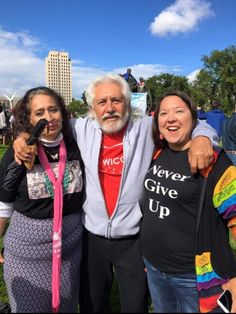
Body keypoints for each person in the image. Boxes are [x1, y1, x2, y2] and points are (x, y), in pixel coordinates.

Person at [13, 74, 218, 313]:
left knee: (134, 304)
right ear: (92, 108)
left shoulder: (144, 129)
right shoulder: (80, 128)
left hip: (132, 238)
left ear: (128, 104)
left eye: (116, 101)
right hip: (92, 236)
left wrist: (203, 137)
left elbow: (188, 122)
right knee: (93, 303)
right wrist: (23, 137)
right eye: (102, 102)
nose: (109, 108)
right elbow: (46, 125)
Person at [140, 90, 236, 313]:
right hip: (154, 268)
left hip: (193, 278)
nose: (171, 118)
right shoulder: (156, 153)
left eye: (179, 111)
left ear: (193, 118)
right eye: (164, 113)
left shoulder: (213, 161)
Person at [0, 87, 84, 313]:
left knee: (66, 305)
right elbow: (4, 202)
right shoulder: (21, 151)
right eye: (39, 113)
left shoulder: (76, 142)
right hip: (28, 252)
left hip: (69, 249)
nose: (48, 118)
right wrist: (22, 137)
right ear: (29, 118)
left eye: (53, 109)